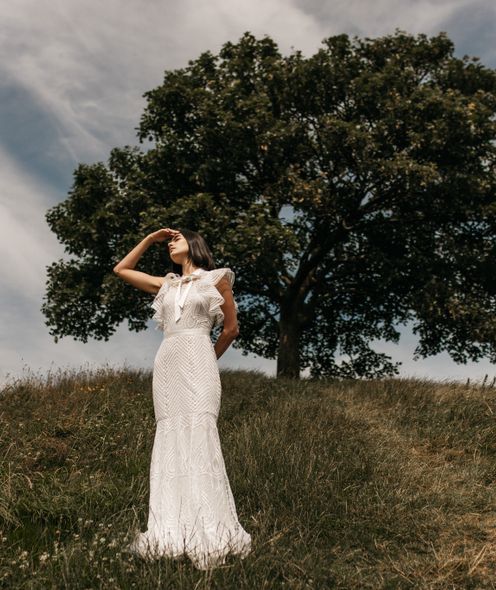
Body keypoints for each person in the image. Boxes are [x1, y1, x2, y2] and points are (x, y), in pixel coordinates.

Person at [113, 227, 252, 570]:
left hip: (199, 358)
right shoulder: (166, 284)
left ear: (194, 243)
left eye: (176, 238)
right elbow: (121, 269)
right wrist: (150, 239)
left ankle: (210, 528)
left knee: (200, 434)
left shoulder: (218, 278)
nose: (170, 243)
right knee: (170, 437)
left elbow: (231, 329)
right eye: (169, 241)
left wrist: (207, 359)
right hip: (167, 364)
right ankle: (171, 530)